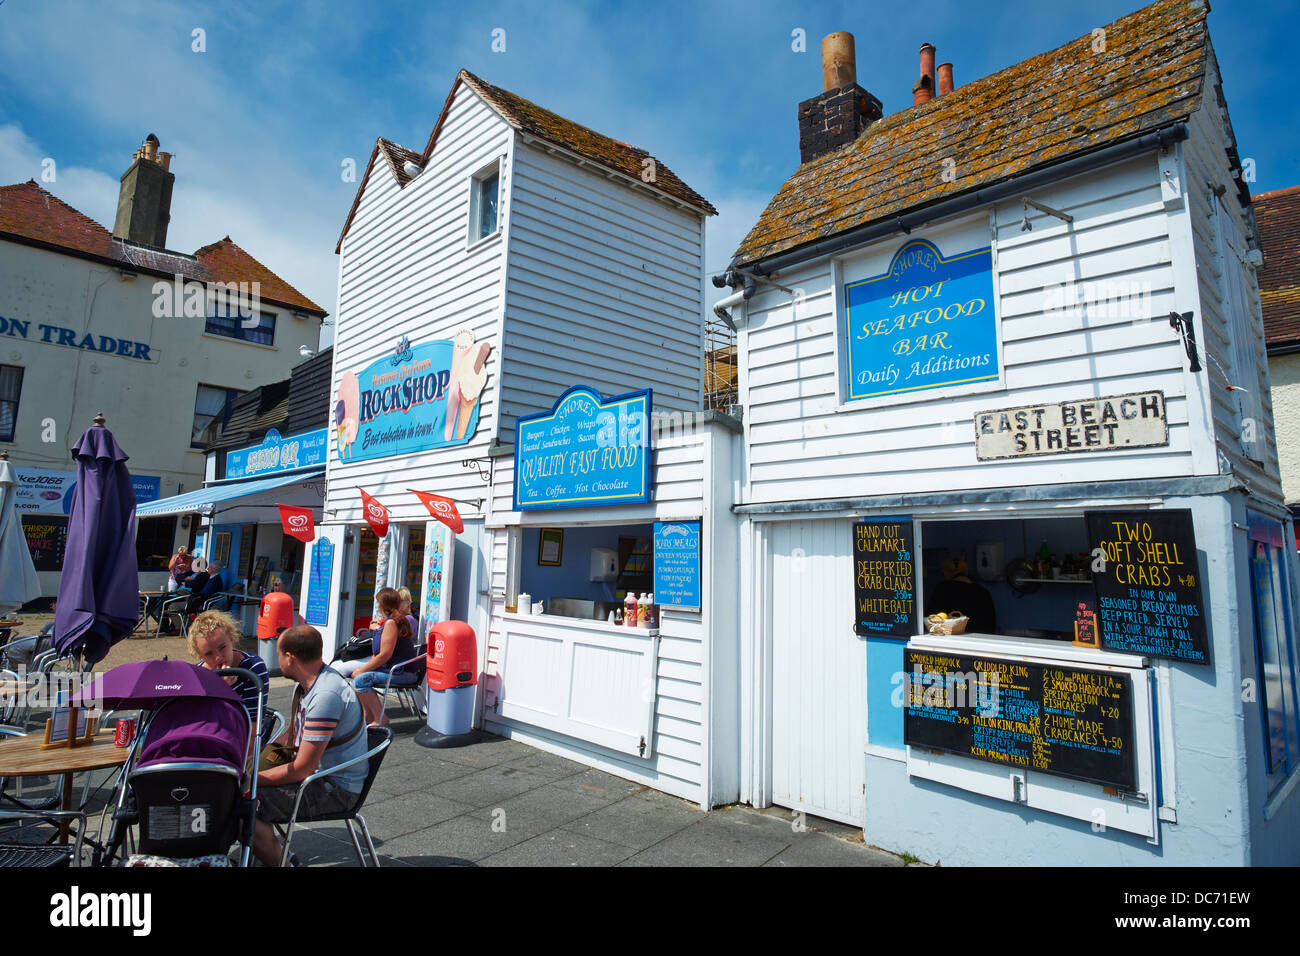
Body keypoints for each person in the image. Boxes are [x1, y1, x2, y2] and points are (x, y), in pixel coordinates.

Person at [252, 625, 368, 867]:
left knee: (243, 804)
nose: (278, 660)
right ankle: (278, 853)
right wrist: (257, 758)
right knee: (238, 794)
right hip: (321, 779)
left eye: (279, 654)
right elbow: (294, 737)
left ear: (290, 657)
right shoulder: (311, 683)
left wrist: (251, 779)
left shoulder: (325, 695)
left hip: (334, 789)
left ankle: (282, 862)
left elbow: (302, 769)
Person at [188, 609, 272, 745]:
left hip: (239, 746)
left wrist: (224, 691)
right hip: (204, 742)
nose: (219, 657)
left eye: (222, 647)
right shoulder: (197, 675)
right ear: (200, 655)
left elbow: (252, 728)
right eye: (209, 653)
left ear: (232, 639)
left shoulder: (252, 668)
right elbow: (196, 723)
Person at [336, 587, 416, 727]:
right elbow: (377, 654)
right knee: (357, 676)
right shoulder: (390, 621)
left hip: (402, 672)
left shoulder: (391, 623)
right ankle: (368, 715)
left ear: (381, 605)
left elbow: (385, 654)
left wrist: (363, 670)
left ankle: (379, 719)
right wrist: (364, 668)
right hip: (395, 669)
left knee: (361, 679)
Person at [925, 556, 998, 634]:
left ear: (946, 572)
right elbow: (990, 622)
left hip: (952, 637)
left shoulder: (943, 588)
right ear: (965, 571)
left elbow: (932, 617)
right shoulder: (982, 591)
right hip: (979, 638)